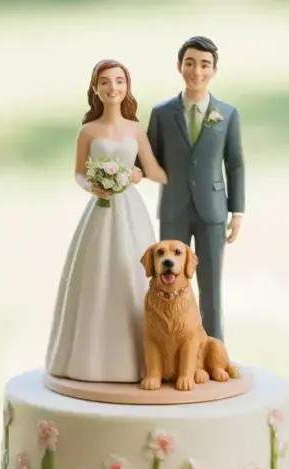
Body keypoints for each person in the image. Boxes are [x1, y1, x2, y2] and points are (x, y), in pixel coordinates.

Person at [46, 59, 168, 383]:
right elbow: (78, 172)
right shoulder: (88, 131)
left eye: (119, 81)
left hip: (130, 210)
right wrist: (92, 186)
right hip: (101, 209)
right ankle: (90, 360)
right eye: (105, 82)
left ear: (127, 87)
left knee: (132, 271)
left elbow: (153, 170)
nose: (112, 88)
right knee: (97, 271)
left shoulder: (135, 130)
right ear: (95, 89)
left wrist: (141, 174)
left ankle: (143, 361)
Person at [144, 36, 244, 343]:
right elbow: (148, 157)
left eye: (204, 65)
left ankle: (213, 351)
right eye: (190, 63)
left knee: (211, 286)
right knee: (168, 283)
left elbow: (235, 164)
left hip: (213, 210)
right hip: (174, 208)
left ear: (214, 70)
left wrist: (237, 211)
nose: (197, 71)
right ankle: (172, 348)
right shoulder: (162, 114)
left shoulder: (228, 114)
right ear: (179, 66)